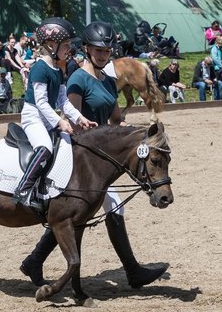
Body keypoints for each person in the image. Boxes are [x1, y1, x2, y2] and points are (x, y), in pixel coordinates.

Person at [19, 20, 165, 289]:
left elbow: (116, 118)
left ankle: (34, 261)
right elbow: (68, 115)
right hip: (85, 156)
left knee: (80, 213)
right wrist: (77, 124)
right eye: (99, 50)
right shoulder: (77, 78)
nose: (103, 55)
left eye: (107, 51)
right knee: (88, 210)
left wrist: (131, 133)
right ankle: (132, 270)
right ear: (87, 50)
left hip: (105, 155)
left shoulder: (109, 81)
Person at [13, 18, 93, 211]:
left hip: (47, 118)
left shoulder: (58, 69)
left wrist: (79, 118)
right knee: (46, 147)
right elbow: (40, 102)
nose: (69, 49)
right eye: (66, 45)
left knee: (70, 144)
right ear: (51, 45)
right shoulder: (40, 68)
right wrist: (59, 122)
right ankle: (23, 189)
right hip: (33, 117)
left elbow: (63, 101)